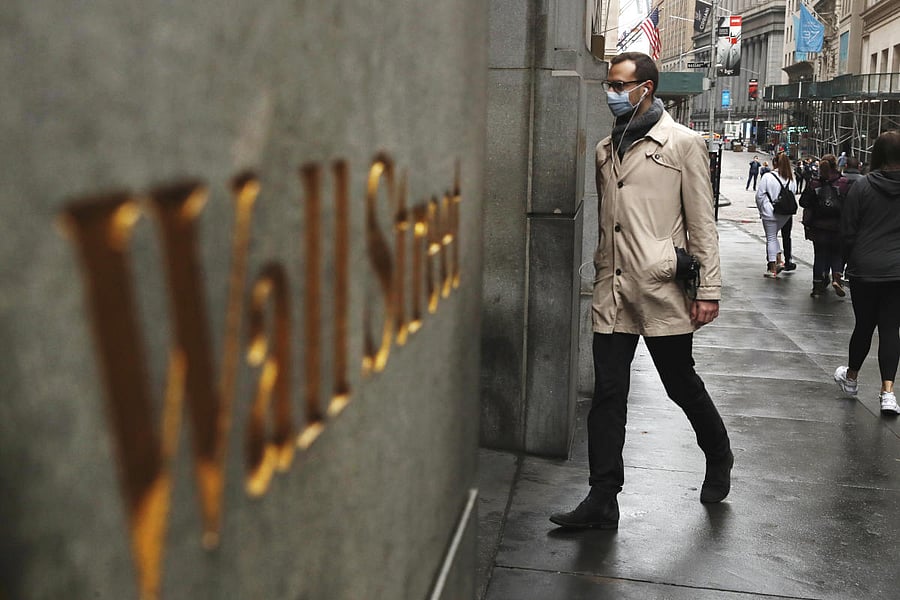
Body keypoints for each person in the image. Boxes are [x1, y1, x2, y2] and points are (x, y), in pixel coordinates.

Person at [549, 52, 732, 530]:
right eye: (608, 83)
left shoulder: (684, 144)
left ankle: (719, 453)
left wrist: (708, 288)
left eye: (618, 84)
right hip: (612, 289)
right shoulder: (606, 150)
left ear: (645, 88)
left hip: (661, 286)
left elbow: (702, 223)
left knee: (680, 383)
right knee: (608, 395)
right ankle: (602, 496)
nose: (610, 91)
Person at [833, 130, 900, 415]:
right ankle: (888, 393)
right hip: (897, 270)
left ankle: (851, 379)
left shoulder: (860, 187)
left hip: (864, 268)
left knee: (863, 325)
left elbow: (847, 231)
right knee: (890, 329)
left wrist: (841, 267)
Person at [799, 154, 850, 297]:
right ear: (836, 165)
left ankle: (818, 284)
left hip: (818, 226)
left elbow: (803, 202)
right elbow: (849, 204)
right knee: (837, 254)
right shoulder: (843, 182)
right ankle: (836, 277)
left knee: (820, 255)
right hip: (837, 226)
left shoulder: (814, 182)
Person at [756, 152, 799, 277]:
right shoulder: (791, 179)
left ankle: (772, 267)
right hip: (785, 214)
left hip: (769, 211)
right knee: (774, 237)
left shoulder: (767, 177)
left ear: (774, 163)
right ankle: (779, 261)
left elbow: (759, 196)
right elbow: (793, 194)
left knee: (771, 238)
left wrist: (761, 209)